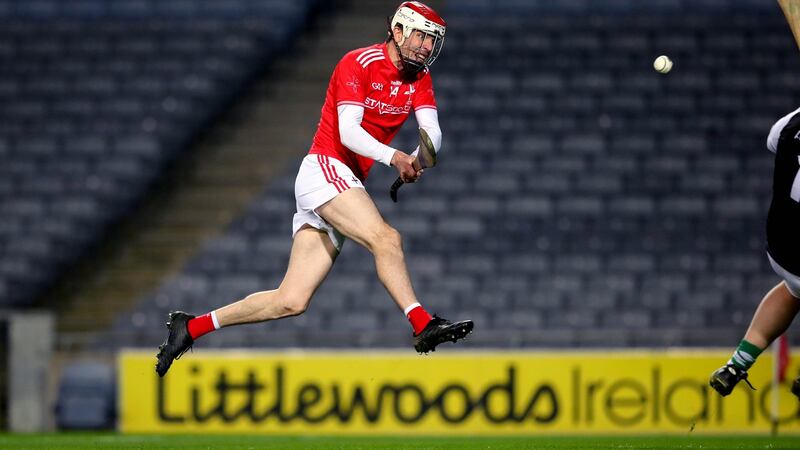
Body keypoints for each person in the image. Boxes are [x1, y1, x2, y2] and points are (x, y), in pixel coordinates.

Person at [156, 1, 473, 377]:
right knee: (386, 239)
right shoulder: (357, 63)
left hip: (346, 182)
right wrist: (395, 158)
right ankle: (422, 324)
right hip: (325, 168)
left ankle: (190, 327)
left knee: (291, 300)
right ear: (399, 30)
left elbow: (432, 133)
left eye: (431, 40)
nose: (425, 46)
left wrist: (419, 158)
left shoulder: (420, 81)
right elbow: (348, 132)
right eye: (420, 35)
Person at [709, 106, 800, 398]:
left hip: (782, 246)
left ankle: (735, 365)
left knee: (793, 288)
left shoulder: (792, 121)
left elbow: (773, 140)